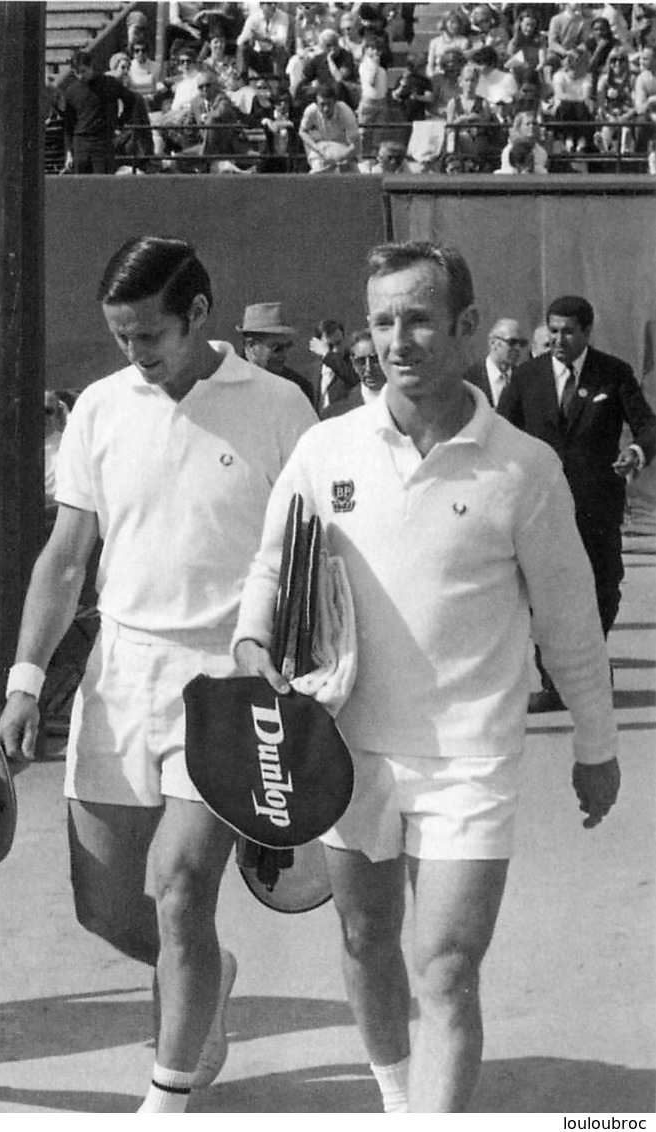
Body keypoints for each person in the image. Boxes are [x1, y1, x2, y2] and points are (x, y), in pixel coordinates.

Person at [233, 241, 621, 1113]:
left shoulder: (523, 468)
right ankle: (398, 1100)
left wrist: (594, 744)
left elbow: (568, 622)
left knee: (443, 968)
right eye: (381, 320)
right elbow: (270, 568)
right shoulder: (324, 449)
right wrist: (251, 641)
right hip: (345, 751)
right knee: (367, 940)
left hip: (467, 761)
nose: (397, 339)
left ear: (465, 325)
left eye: (416, 318)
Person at [0, 235, 315, 1114]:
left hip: (229, 678)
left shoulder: (282, 407)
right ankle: (204, 982)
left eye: (148, 337)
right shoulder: (100, 408)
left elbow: (313, 561)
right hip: (119, 675)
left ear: (199, 315)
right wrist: (25, 679)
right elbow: (65, 561)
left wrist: (302, 683)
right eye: (119, 338)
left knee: (177, 889)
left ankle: (164, 1096)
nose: (133, 356)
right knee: (106, 909)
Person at [498, 295, 656, 711]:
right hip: (540, 507)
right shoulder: (527, 377)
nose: (559, 339)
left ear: (587, 331)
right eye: (553, 331)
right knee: (542, 592)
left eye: (568, 331)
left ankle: (590, 658)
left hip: (597, 506)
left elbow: (647, 424)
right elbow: (500, 429)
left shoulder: (613, 374)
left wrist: (636, 451)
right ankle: (554, 681)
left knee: (604, 587)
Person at [63, 49, 134, 173]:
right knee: (81, 187)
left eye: (83, 71)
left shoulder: (109, 84)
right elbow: (68, 125)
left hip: (103, 142)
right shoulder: (71, 91)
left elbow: (131, 100)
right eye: (77, 73)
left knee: (103, 185)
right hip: (80, 143)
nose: (81, 76)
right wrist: (69, 152)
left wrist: (119, 122)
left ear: (91, 66)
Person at [238, 301, 315, 406]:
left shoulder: (300, 389)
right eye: (277, 348)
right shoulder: (230, 384)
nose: (284, 354)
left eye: (288, 346)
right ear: (251, 345)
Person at [462, 317, 527, 407]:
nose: (518, 348)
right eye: (512, 342)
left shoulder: (524, 379)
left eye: (522, 343)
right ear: (493, 342)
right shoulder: (470, 379)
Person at [323, 327, 382, 416]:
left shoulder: (407, 398)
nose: (369, 368)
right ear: (353, 364)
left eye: (375, 359)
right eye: (361, 361)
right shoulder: (338, 413)